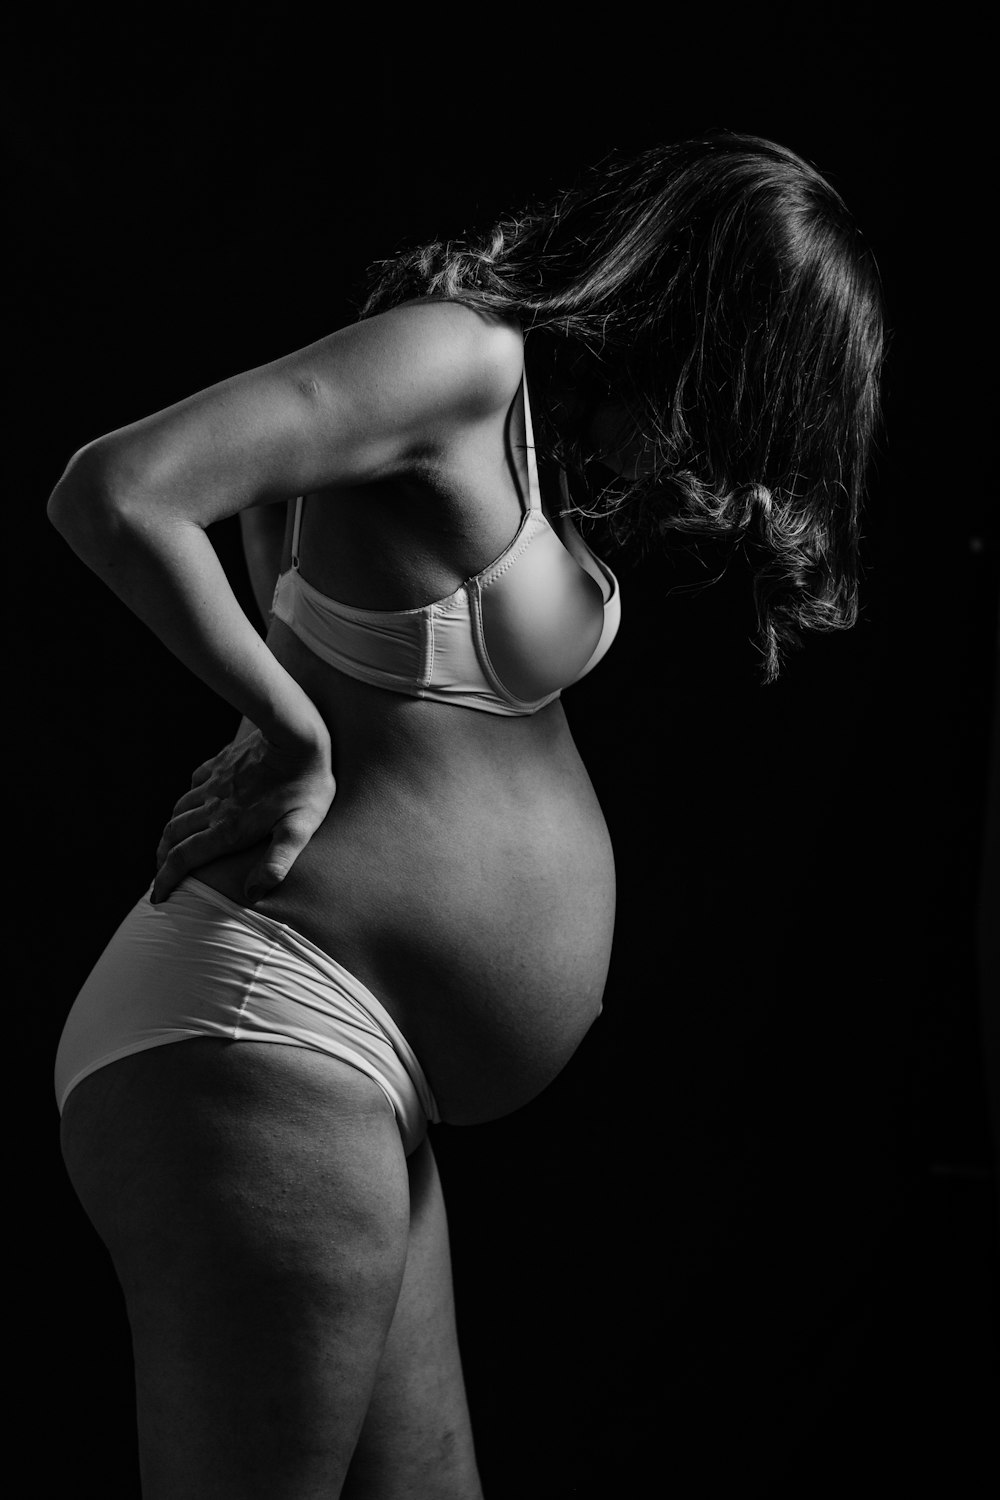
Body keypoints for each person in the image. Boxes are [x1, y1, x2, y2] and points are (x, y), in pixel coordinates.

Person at [50, 133, 883, 1499]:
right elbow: (116, 489)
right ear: (687, 312)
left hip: (360, 1081)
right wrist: (293, 727)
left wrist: (295, 676)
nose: (704, 452)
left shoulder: (532, 426)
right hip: (270, 1033)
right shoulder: (461, 359)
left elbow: (292, 546)